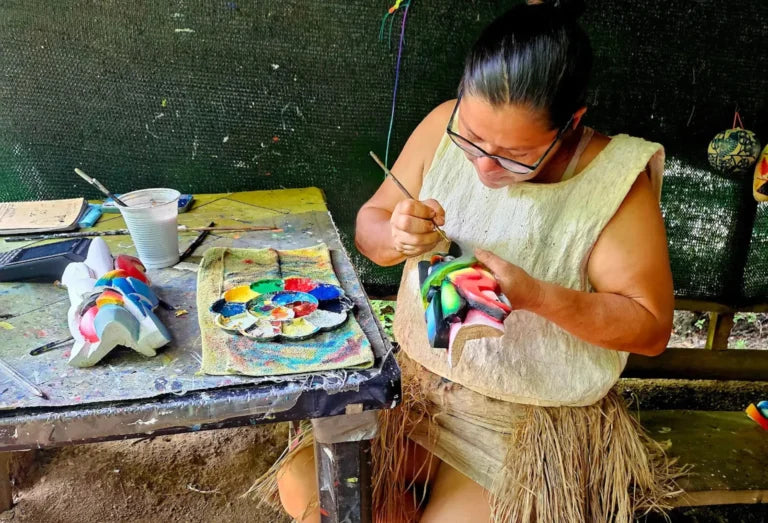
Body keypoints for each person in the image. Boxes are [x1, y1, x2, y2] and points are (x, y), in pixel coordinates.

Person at [273, 0, 678, 521]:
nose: (484, 166)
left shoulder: (616, 182)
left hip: (528, 422)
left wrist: (537, 296)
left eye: (513, 155)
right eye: (473, 139)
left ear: (571, 123)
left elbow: (650, 328)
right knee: (310, 485)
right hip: (415, 395)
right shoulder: (444, 121)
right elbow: (370, 226)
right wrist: (397, 237)